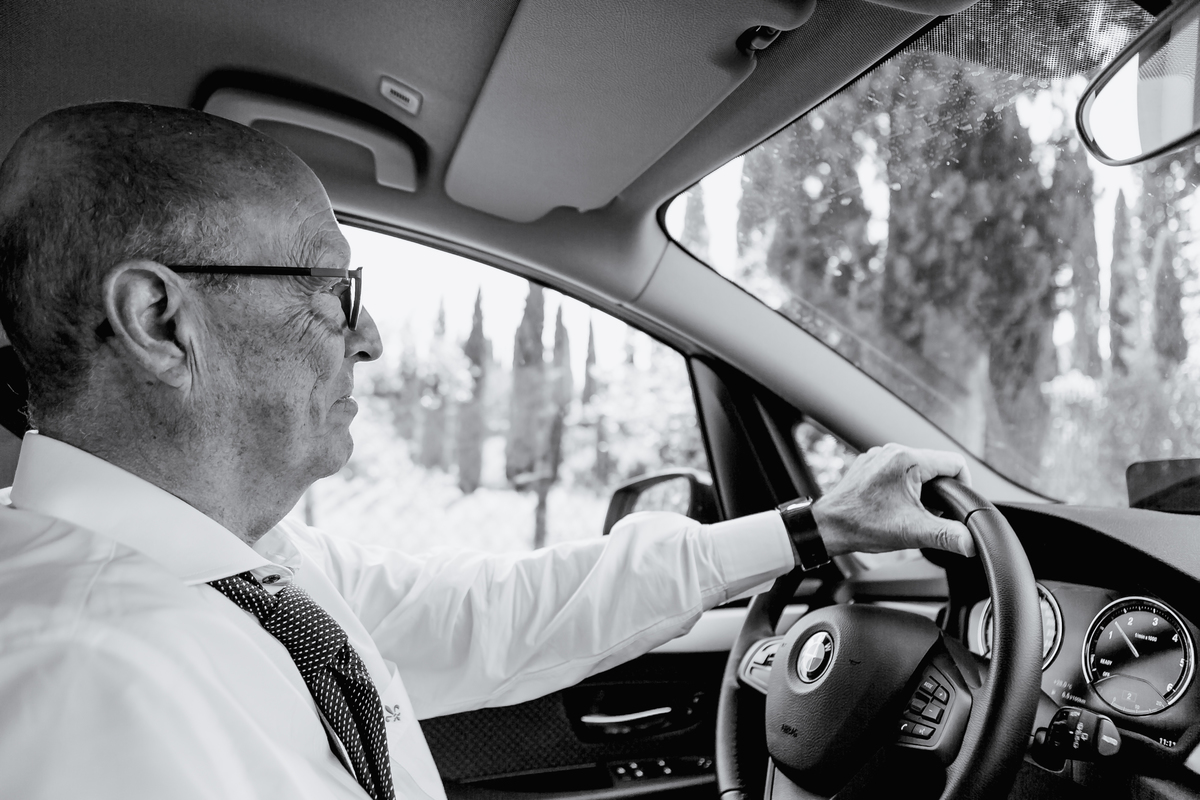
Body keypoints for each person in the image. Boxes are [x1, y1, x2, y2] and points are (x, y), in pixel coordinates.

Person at [0, 102, 977, 800]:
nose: (370, 336)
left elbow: (494, 613)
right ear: (160, 320)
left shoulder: (245, 564)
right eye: (332, 290)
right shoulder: (76, 681)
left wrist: (815, 526)